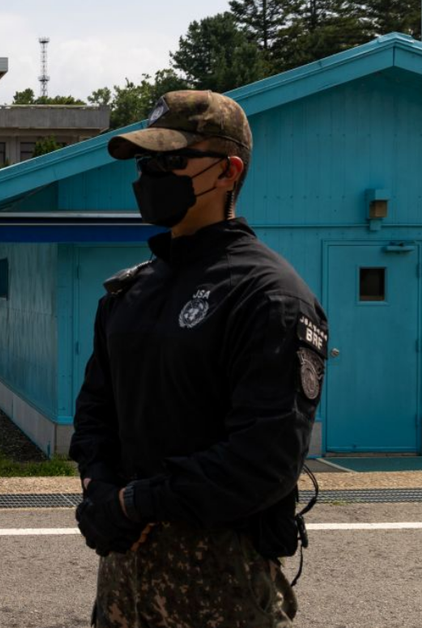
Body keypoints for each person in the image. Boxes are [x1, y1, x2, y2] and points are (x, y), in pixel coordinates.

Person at [69, 90, 327, 627]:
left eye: (172, 160)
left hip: (223, 586)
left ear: (228, 171)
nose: (151, 175)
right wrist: (98, 487)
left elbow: (264, 460)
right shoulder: (129, 292)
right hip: (124, 581)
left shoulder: (268, 296)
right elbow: (97, 407)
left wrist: (134, 503)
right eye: (146, 162)